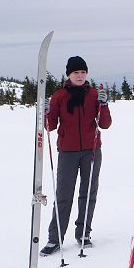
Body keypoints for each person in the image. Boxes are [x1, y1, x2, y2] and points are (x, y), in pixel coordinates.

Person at [40, 56, 112, 256]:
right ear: (69, 75)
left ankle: (83, 234)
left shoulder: (94, 95)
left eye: (82, 72)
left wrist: (104, 105)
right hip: (67, 152)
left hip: (92, 151)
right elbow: (50, 126)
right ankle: (55, 239)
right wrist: (45, 112)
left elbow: (104, 124)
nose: (80, 76)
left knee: (88, 193)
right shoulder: (59, 96)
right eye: (75, 73)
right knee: (63, 196)